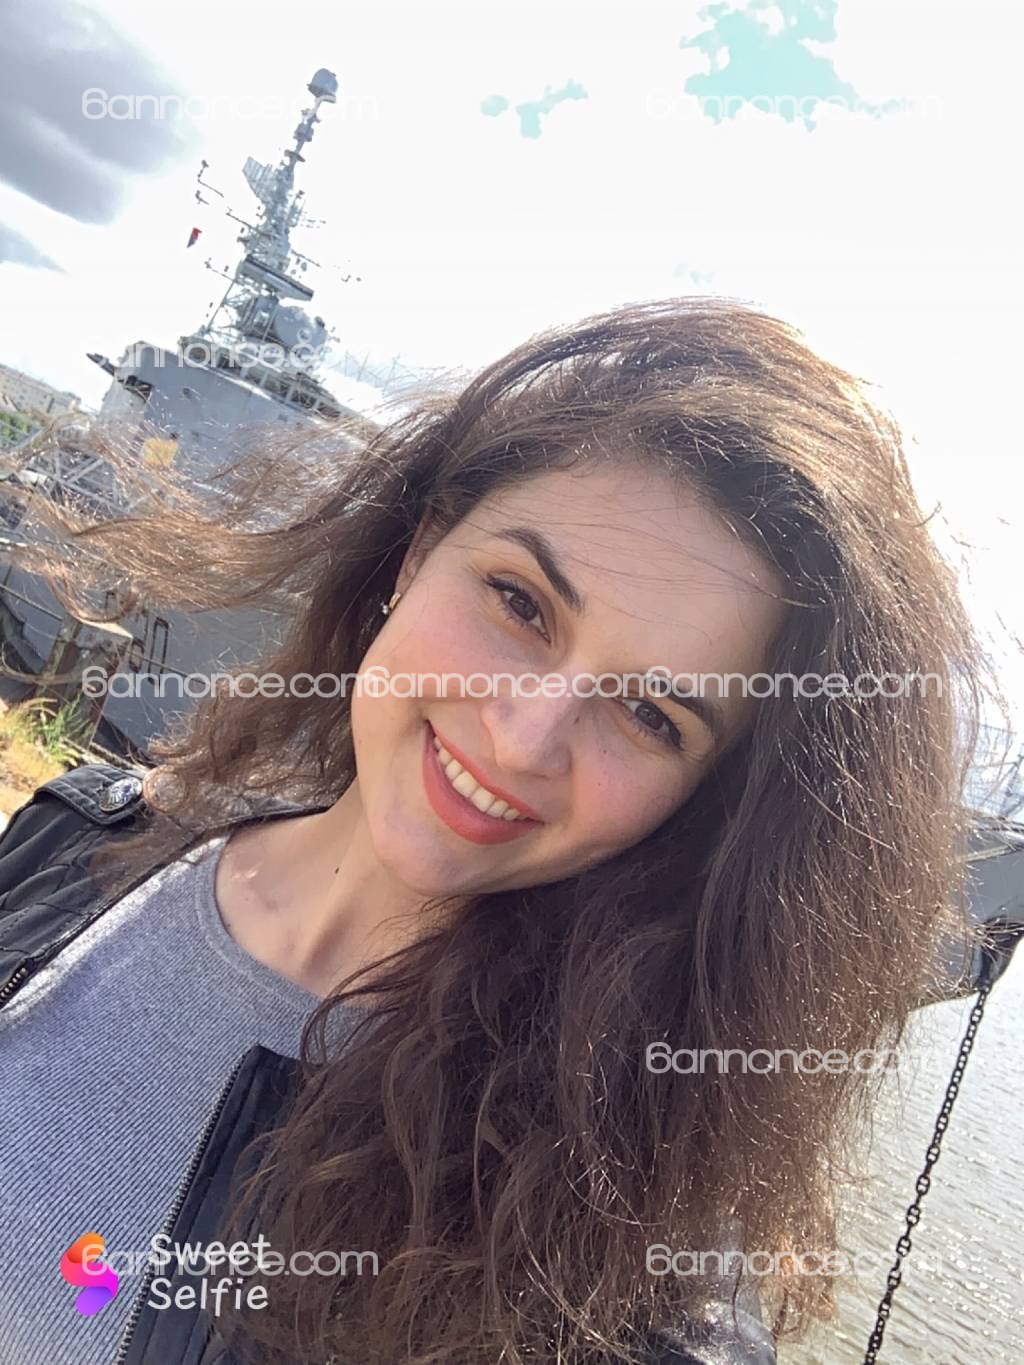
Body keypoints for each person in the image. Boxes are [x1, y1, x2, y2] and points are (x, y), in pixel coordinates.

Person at [0, 297, 991, 1365]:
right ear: (418, 550)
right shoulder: (79, 840)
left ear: (703, 802)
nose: (524, 739)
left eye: (650, 714)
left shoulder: (615, 1256)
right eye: (520, 603)